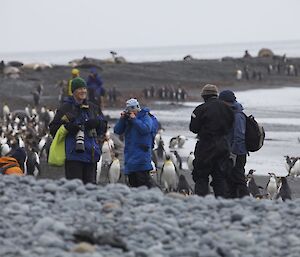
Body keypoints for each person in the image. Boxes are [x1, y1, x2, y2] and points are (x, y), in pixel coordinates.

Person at [49, 77, 107, 184]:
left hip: (91, 155)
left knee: (91, 188)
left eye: (84, 88)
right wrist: (68, 128)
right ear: (73, 91)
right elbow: (53, 129)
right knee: (75, 188)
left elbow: (103, 127)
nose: (83, 91)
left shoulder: (92, 107)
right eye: (80, 89)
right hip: (73, 156)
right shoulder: (65, 108)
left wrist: (97, 123)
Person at [189, 84, 234, 197]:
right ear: (216, 95)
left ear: (204, 96)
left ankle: (202, 200)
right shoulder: (227, 108)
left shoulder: (200, 109)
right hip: (223, 145)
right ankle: (222, 202)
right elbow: (231, 125)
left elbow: (193, 128)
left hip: (206, 146)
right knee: (220, 176)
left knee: (201, 176)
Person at [114, 98, 154, 188]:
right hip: (130, 159)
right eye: (128, 109)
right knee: (133, 185)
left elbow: (146, 129)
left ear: (137, 108)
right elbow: (117, 130)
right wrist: (122, 119)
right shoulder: (127, 120)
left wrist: (135, 120)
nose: (131, 111)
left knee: (144, 186)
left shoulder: (145, 117)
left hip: (141, 160)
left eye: (132, 108)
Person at [219, 90, 249, 198]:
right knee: (229, 178)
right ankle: (233, 200)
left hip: (237, 153)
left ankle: (246, 200)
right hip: (231, 152)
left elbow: (239, 136)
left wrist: (233, 153)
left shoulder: (237, 115)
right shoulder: (230, 112)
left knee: (238, 177)